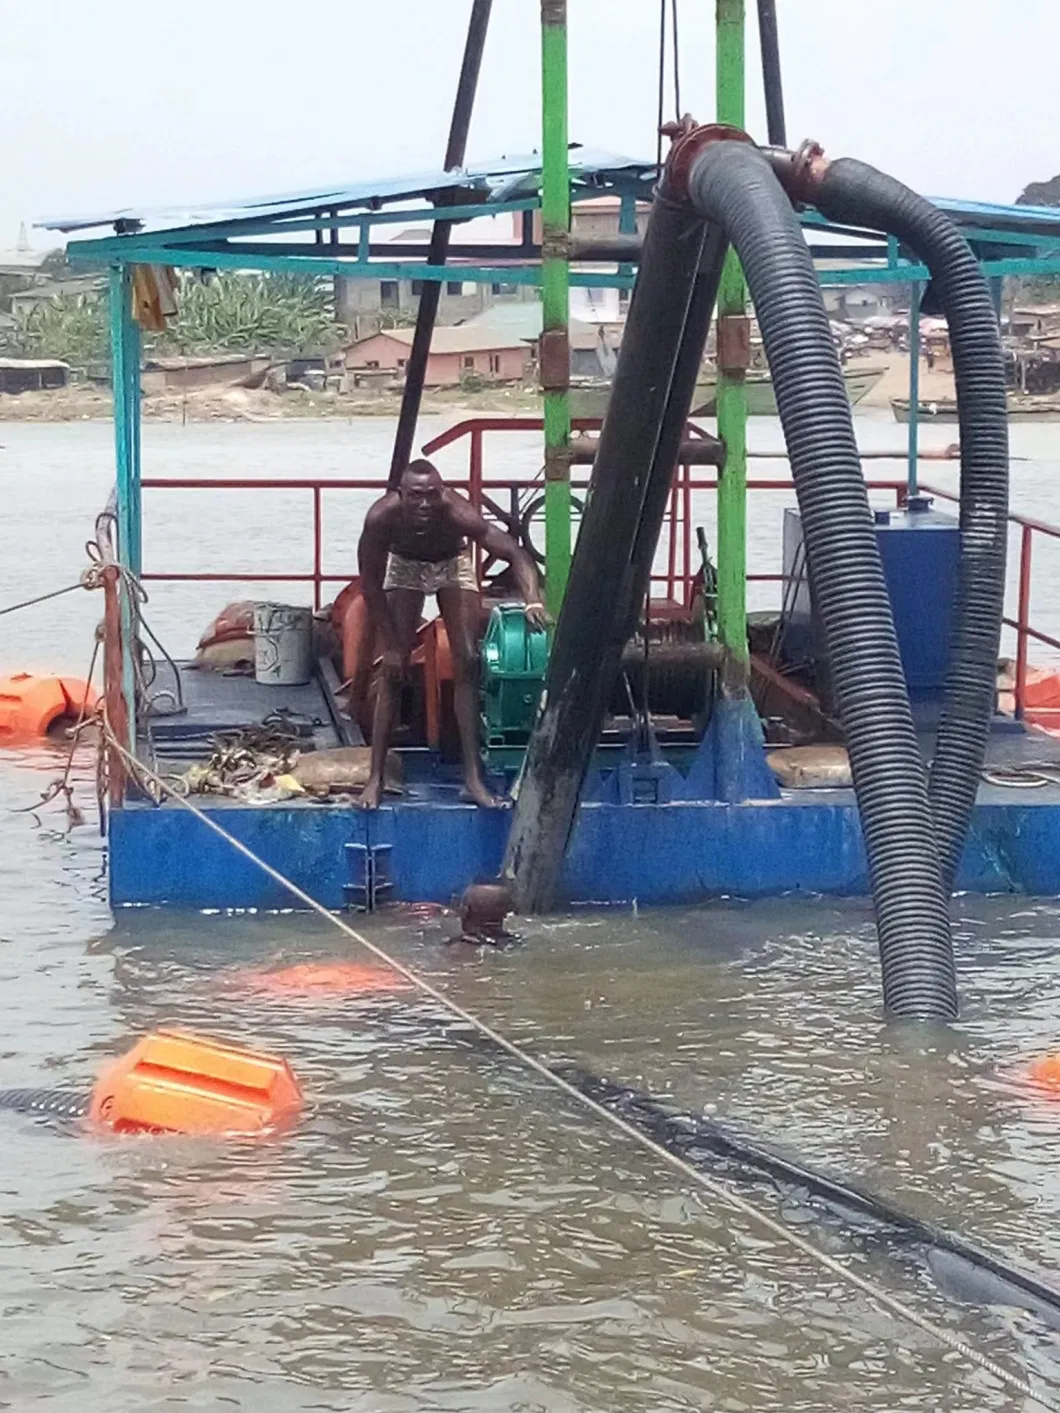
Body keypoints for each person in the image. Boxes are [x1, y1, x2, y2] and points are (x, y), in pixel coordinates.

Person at [357, 459, 547, 809]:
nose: (425, 504)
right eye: (416, 496)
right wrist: (393, 643)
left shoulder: (458, 514)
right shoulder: (381, 517)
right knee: (392, 670)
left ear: (442, 492)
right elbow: (369, 582)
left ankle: (473, 779)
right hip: (404, 565)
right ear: (401, 494)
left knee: (468, 662)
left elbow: (514, 553)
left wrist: (532, 601)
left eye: (432, 495)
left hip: (451, 563)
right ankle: (376, 778)